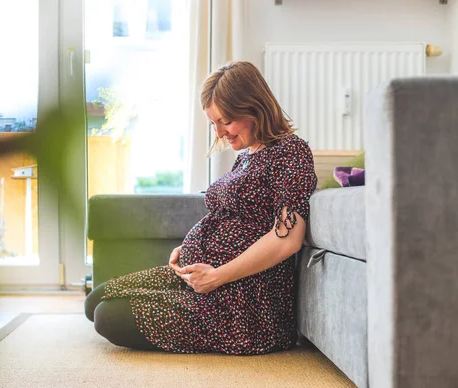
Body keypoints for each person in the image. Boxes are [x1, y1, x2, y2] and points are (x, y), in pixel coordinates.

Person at [84, 61, 318, 355]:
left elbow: (288, 239)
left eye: (226, 121)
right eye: (213, 123)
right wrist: (189, 249)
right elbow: (231, 218)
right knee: (95, 300)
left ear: (255, 108)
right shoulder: (247, 155)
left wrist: (217, 276)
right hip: (202, 280)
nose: (220, 132)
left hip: (242, 304)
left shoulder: (290, 152)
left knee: (108, 316)